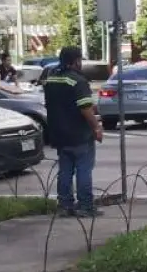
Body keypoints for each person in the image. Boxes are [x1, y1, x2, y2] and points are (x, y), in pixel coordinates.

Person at [43, 46, 103, 217]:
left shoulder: (51, 79)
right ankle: (85, 206)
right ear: (76, 61)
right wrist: (96, 127)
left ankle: (64, 205)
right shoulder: (78, 80)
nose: (81, 63)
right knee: (84, 170)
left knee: (65, 170)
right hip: (79, 134)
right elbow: (85, 109)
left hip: (59, 134)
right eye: (80, 60)